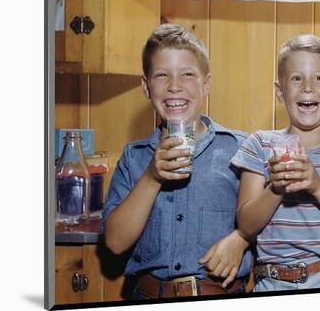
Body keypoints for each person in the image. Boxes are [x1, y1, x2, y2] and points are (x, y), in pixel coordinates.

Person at [102, 23, 252, 299]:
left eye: (187, 74)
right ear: (146, 87)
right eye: (162, 75)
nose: (174, 86)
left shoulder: (241, 149)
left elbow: (269, 220)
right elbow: (115, 242)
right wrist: (151, 177)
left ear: (206, 84)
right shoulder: (134, 158)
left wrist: (242, 238)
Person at [231, 34, 320, 291]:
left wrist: (318, 186)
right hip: (272, 282)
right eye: (296, 78)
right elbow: (246, 224)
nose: (308, 87)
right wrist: (276, 188)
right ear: (279, 92)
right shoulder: (259, 144)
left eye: (319, 78)